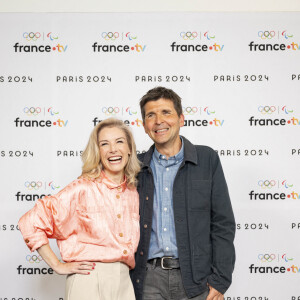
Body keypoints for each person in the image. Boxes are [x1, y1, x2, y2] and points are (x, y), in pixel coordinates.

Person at [130, 87, 235, 300]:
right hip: (149, 282)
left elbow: (222, 224)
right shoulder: (135, 167)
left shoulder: (207, 159)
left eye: (166, 112)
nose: (159, 121)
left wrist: (220, 280)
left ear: (181, 119)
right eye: (151, 115)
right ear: (144, 126)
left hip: (197, 281)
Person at [18, 118, 141, 300]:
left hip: (124, 281)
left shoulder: (134, 191)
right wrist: (57, 265)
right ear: (98, 151)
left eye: (119, 141)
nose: (113, 149)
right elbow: (30, 222)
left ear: (130, 149)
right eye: (104, 144)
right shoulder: (82, 188)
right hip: (89, 279)